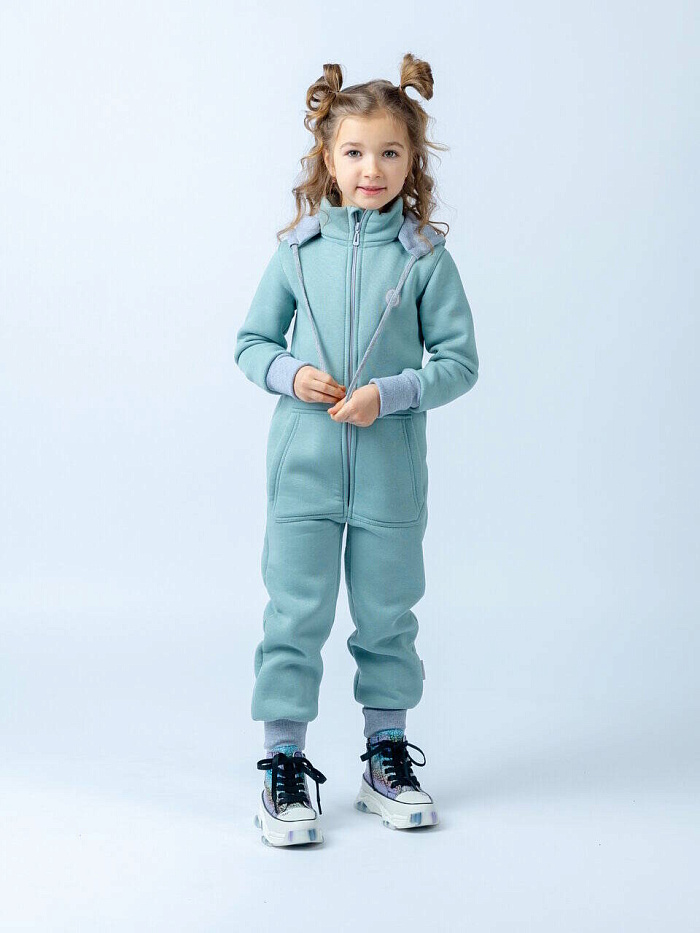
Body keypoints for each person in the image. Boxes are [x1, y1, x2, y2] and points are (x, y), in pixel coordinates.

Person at [235, 52, 479, 847]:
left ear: (412, 162)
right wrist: (291, 373)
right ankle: (283, 763)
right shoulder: (296, 252)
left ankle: (385, 758)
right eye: (354, 151)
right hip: (302, 475)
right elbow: (250, 343)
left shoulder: (425, 258)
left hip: (389, 479)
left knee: (387, 618)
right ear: (328, 159)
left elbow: (458, 363)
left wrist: (391, 393)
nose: (371, 168)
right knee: (293, 615)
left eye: (389, 152)